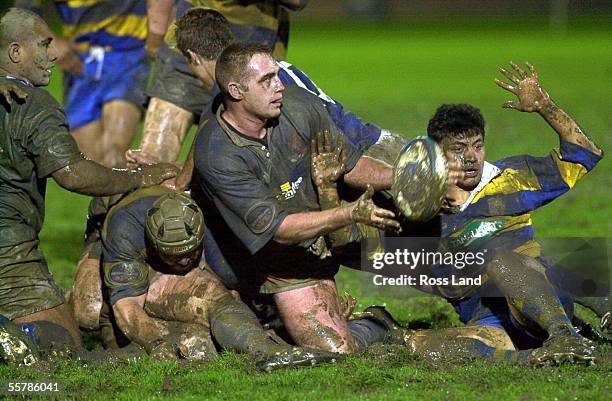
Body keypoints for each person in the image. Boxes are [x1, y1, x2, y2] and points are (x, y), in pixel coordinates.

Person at [191, 40, 441, 354]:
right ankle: (377, 325)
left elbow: (350, 165)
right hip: (280, 263)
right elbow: (280, 230)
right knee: (336, 349)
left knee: (435, 252)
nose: (279, 86)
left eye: (277, 75)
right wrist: (348, 214)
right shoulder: (218, 153)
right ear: (236, 91)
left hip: (329, 222)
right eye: (266, 80)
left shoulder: (297, 105)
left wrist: (404, 176)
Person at [0, 8, 177, 345]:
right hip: (9, 252)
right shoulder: (33, 104)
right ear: (16, 52)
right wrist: (140, 177)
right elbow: (74, 174)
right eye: (44, 44)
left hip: (122, 52)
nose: (53, 53)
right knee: (63, 342)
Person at [420, 62, 603, 357]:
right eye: (459, 148)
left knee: (502, 260)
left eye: (477, 146)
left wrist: (546, 106)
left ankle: (565, 336)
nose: (471, 157)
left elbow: (585, 153)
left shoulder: (513, 177)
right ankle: (535, 358)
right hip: (493, 321)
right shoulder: (423, 209)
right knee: (426, 345)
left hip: (542, 302)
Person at [128, 7, 407, 190]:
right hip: (377, 139)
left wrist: (159, 171)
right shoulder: (267, 66)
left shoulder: (233, 93)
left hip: (354, 158)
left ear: (193, 58)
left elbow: (194, 173)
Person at [142, 0, 309, 162]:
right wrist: (156, 33)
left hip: (252, 60)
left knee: (245, 166)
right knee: (152, 159)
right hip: (190, 46)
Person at [15, 0, 149, 167]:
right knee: (95, 167)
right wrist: (48, 40)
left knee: (114, 157)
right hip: (80, 62)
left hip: (127, 56)